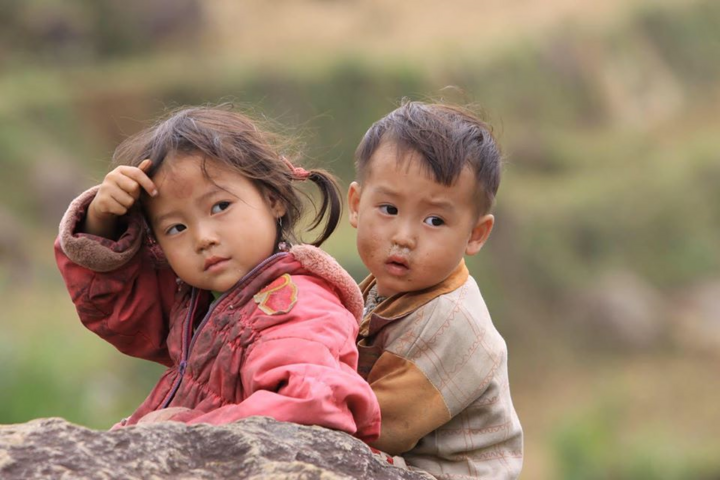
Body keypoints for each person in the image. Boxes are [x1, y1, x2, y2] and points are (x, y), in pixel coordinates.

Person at [54, 105, 381, 441]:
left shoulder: (295, 305)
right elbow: (117, 312)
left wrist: (186, 429)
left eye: (220, 206)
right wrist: (102, 222)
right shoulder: (194, 298)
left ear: (273, 199)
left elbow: (311, 405)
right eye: (176, 227)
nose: (203, 238)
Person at [347, 100, 523, 478]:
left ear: (475, 234)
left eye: (434, 220)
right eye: (389, 209)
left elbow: (379, 425)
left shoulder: (450, 320)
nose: (404, 237)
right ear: (357, 205)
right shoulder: (384, 287)